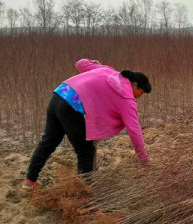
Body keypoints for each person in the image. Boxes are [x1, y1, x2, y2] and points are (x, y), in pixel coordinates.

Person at [24, 59, 151, 187]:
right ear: (134, 85)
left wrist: (97, 65)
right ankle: (84, 195)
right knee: (86, 151)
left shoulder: (107, 71)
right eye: (141, 92)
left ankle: (29, 182)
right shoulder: (127, 99)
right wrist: (143, 158)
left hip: (59, 95)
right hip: (71, 106)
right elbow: (134, 130)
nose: (139, 96)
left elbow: (80, 63)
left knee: (48, 142)